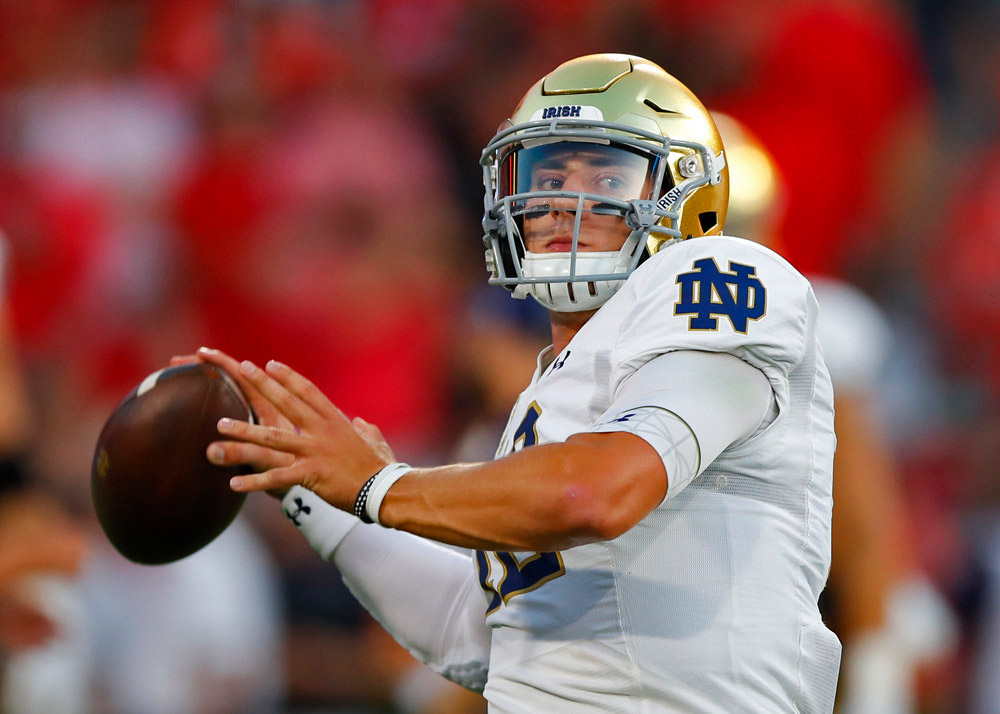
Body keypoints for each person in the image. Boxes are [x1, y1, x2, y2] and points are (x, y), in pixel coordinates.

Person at [192, 54, 841, 712]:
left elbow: (597, 492)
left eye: (608, 172)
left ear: (686, 194)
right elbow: (479, 633)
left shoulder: (726, 270)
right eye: (548, 172)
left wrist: (382, 486)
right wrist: (315, 493)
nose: (563, 198)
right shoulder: (547, 398)